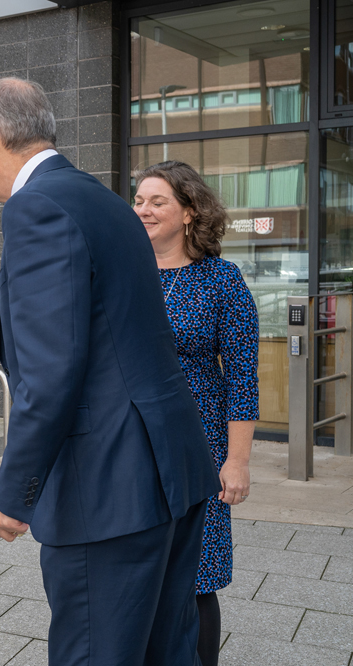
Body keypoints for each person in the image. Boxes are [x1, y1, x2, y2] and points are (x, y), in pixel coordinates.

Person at [0, 78, 221, 666]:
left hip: (109, 486)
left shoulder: (35, 207)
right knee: (166, 652)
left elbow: (52, 368)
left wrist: (14, 491)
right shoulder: (99, 199)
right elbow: (83, 318)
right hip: (170, 467)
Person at [133, 161, 259, 666]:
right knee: (137, 575)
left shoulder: (221, 281)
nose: (143, 210)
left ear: (189, 212)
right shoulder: (125, 274)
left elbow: (243, 379)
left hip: (198, 450)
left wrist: (238, 461)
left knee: (196, 578)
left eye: (157, 201)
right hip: (131, 444)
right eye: (139, 200)